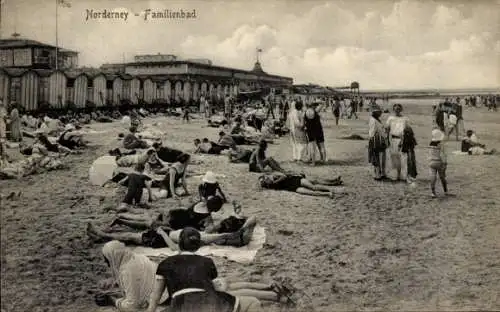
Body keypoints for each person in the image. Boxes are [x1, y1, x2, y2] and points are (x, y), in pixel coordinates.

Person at [147, 227, 263, 312]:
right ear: (198, 246)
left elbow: (156, 295)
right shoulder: (207, 262)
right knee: (253, 302)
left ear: (180, 244)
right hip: (211, 304)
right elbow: (214, 285)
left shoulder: (165, 263)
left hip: (181, 305)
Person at [94, 241, 159, 311]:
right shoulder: (133, 256)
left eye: (107, 258)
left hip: (160, 296)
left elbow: (132, 305)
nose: (105, 261)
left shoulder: (127, 271)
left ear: (114, 256)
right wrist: (112, 283)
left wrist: (112, 301)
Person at [258, 172, 344, 198]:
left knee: (314, 186)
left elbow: (284, 175)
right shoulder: (270, 186)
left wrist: (275, 182)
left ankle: (332, 185)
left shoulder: (274, 177)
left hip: (296, 181)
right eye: (264, 182)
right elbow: (262, 188)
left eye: (265, 180)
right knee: (311, 193)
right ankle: (328, 194)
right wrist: (264, 184)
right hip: (293, 188)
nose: (265, 181)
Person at [385, 104, 411, 181]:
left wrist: (405, 140)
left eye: (399, 109)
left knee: (403, 158)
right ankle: (397, 174)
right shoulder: (390, 118)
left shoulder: (405, 119)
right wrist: (387, 140)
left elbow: (408, 131)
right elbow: (387, 129)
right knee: (394, 157)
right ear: (393, 110)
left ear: (401, 109)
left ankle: (405, 175)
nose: (397, 110)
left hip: (403, 140)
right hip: (393, 140)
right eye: (396, 109)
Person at [368, 106, 388, 181]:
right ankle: (377, 174)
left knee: (379, 156)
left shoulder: (375, 119)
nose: (380, 113)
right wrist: (384, 135)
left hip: (377, 139)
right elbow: (375, 132)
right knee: (376, 156)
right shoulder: (374, 120)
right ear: (374, 113)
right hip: (376, 140)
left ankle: (380, 173)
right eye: (378, 112)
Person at [428, 129, 448, 198]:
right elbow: (443, 155)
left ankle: (433, 192)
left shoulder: (431, 143)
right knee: (442, 177)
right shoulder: (441, 144)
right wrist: (445, 163)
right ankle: (445, 190)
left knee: (432, 177)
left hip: (431, 161)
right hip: (439, 162)